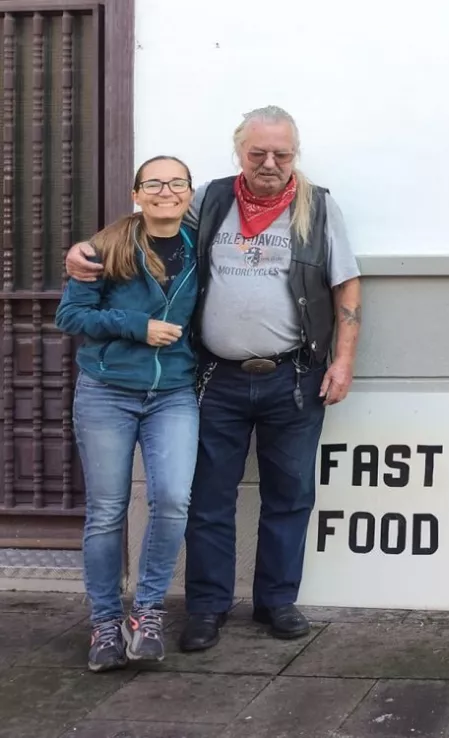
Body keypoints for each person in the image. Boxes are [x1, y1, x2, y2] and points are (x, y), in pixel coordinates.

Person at [65, 105, 363, 653]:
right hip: (214, 378)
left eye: (282, 153)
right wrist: (84, 249)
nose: (270, 163)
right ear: (239, 152)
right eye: (257, 153)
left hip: (294, 375)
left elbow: (346, 286)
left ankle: (277, 601)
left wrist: (343, 361)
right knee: (206, 499)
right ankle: (206, 607)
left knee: (290, 494)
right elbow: (153, 220)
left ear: (296, 153)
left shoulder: (318, 207)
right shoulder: (211, 198)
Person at [55, 156, 199, 672]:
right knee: (108, 511)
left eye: (177, 182)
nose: (167, 190)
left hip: (174, 394)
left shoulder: (198, 245)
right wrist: (137, 325)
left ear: (189, 192)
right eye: (155, 183)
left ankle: (147, 612)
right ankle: (104, 621)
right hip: (107, 393)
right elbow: (69, 315)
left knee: (172, 500)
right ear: (137, 193)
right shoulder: (105, 247)